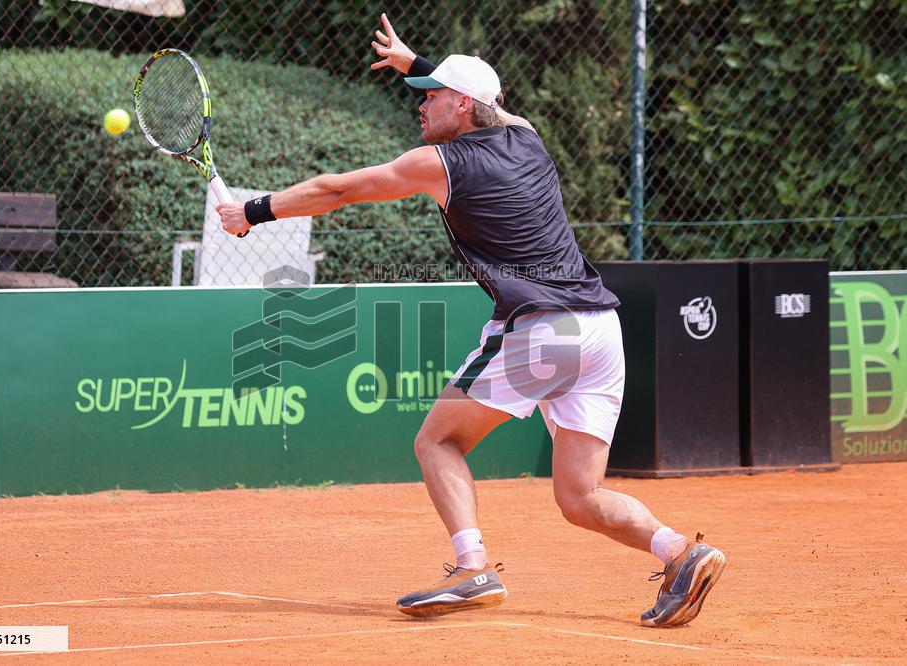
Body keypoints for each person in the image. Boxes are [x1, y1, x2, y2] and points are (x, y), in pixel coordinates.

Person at [218, 13, 726, 627]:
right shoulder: (529, 135)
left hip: (543, 326)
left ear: (462, 104)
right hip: (600, 328)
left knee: (438, 440)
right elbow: (488, 101)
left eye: (430, 98)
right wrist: (417, 66)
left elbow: (337, 190)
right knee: (579, 496)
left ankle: (471, 567)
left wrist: (252, 210)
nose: (421, 106)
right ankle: (681, 553)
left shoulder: (440, 163)